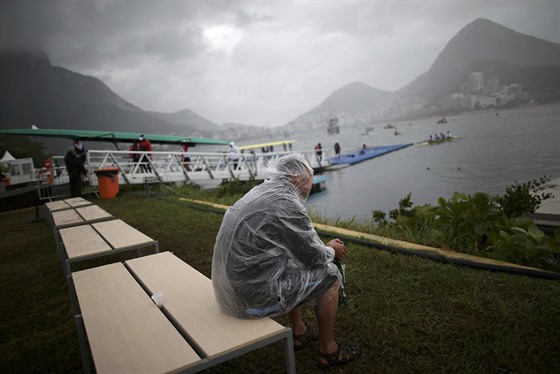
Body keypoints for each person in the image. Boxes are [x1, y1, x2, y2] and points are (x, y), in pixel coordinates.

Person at [212, 153, 360, 369]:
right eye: (309, 179)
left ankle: (299, 331)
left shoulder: (262, 191)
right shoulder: (286, 202)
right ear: (298, 178)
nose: (309, 185)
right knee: (331, 276)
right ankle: (328, 350)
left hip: (230, 291)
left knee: (287, 262)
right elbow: (314, 256)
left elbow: (294, 248)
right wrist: (331, 249)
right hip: (249, 302)